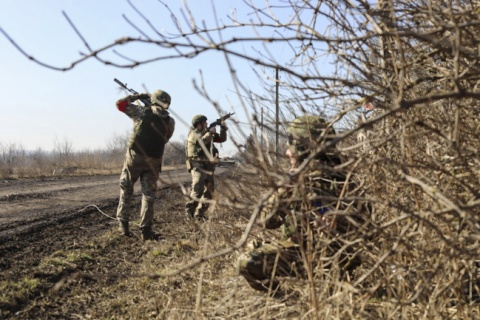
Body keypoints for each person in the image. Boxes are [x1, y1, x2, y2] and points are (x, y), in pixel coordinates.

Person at [237, 115, 365, 293]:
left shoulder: (344, 180)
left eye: (292, 146)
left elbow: (365, 228)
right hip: (300, 255)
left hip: (334, 260)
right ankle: (284, 298)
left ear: (305, 148)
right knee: (250, 257)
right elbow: (268, 221)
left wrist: (337, 223)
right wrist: (285, 190)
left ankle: (331, 291)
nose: (288, 153)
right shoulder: (296, 180)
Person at [115, 89, 175, 240]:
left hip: (135, 157)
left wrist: (136, 96)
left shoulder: (140, 111)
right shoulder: (170, 121)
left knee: (126, 189)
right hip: (154, 160)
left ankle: (123, 225)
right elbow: (165, 139)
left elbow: (119, 104)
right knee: (148, 195)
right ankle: (146, 230)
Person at [185, 114, 228, 220]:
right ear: (199, 124)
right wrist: (210, 132)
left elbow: (222, 139)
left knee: (210, 191)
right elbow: (202, 142)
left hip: (208, 166)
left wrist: (222, 128)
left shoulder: (207, 133)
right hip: (197, 165)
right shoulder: (193, 133)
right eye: (205, 122)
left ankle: (199, 214)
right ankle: (189, 213)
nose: (207, 124)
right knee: (197, 190)